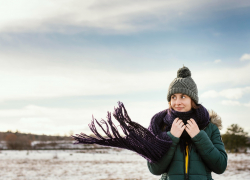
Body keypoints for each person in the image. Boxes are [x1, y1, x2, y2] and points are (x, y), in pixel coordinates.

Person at [147, 66, 227, 180]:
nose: (177, 102)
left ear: (192, 100)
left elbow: (220, 166)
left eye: (183, 96)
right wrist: (172, 138)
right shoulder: (160, 126)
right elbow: (154, 169)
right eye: (173, 97)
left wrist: (199, 137)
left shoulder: (209, 127)